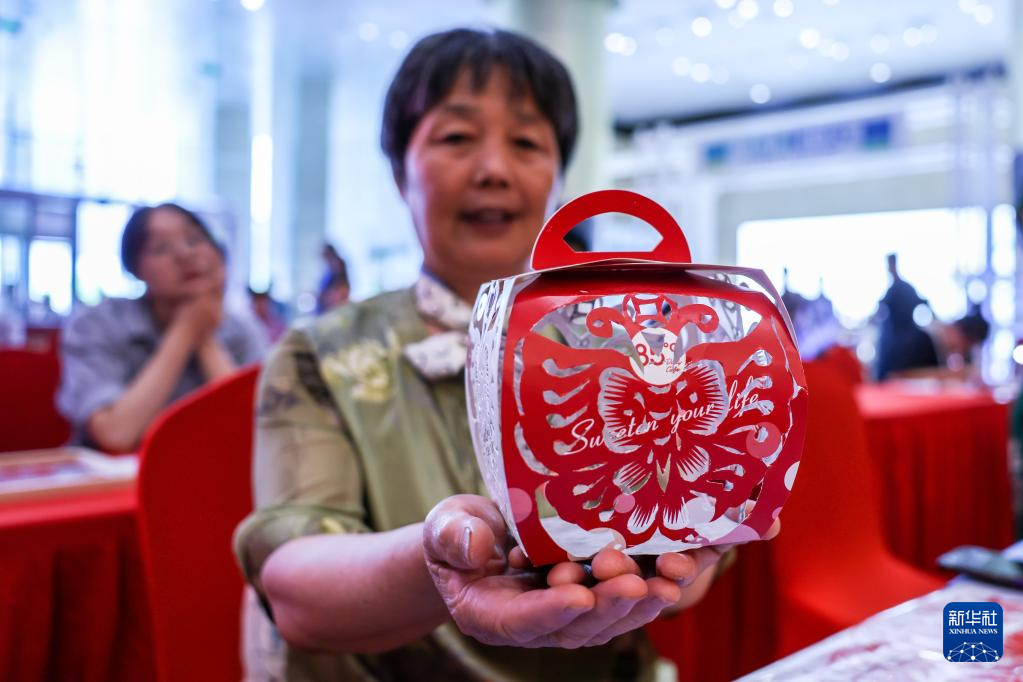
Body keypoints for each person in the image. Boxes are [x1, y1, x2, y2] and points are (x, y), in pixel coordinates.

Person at [234, 28, 770, 682]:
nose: (494, 169)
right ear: (400, 171)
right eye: (457, 137)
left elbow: (691, 562)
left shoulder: (636, 344)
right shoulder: (323, 355)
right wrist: (440, 559)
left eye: (526, 143)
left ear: (558, 180)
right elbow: (295, 586)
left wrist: (671, 556)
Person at [58, 203, 268, 452]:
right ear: (135, 269)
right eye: (160, 248)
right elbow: (115, 435)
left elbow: (255, 434)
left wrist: (204, 338)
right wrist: (185, 331)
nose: (184, 254)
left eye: (194, 239)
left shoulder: (242, 330)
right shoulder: (98, 324)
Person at [874, 253, 937, 380]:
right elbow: (924, 302)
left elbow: (879, 311)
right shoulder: (903, 287)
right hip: (906, 336)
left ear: (892, 265)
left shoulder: (897, 288)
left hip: (897, 340)